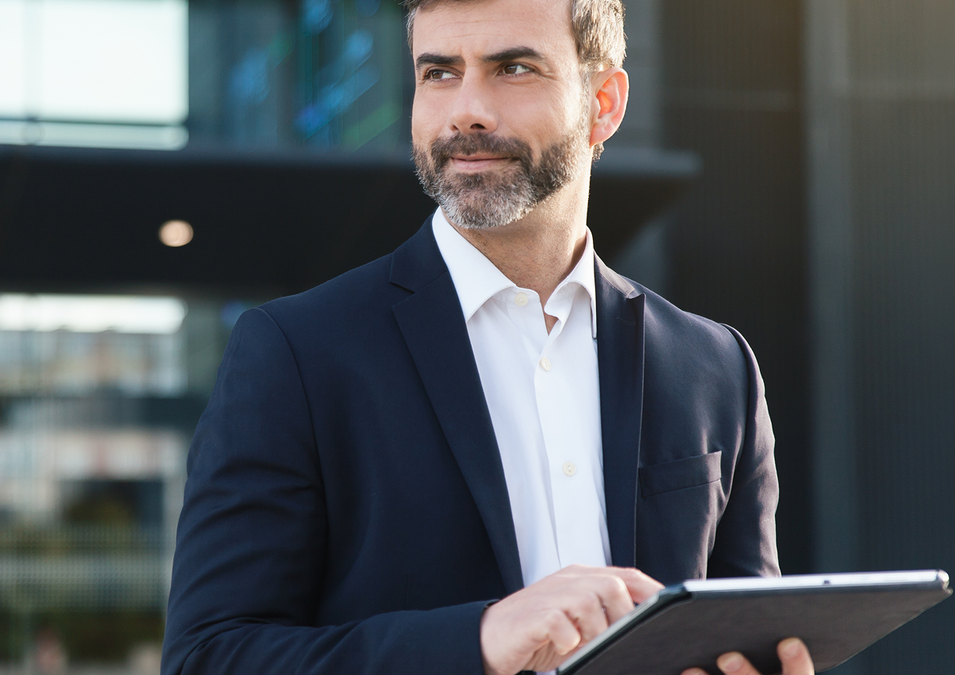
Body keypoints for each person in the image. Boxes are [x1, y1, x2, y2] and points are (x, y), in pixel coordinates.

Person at [162, 0, 815, 674]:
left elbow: (742, 636)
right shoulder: (295, 354)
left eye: (514, 68)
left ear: (604, 103)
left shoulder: (717, 368)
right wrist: (478, 639)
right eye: (439, 73)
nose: (466, 112)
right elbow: (208, 657)